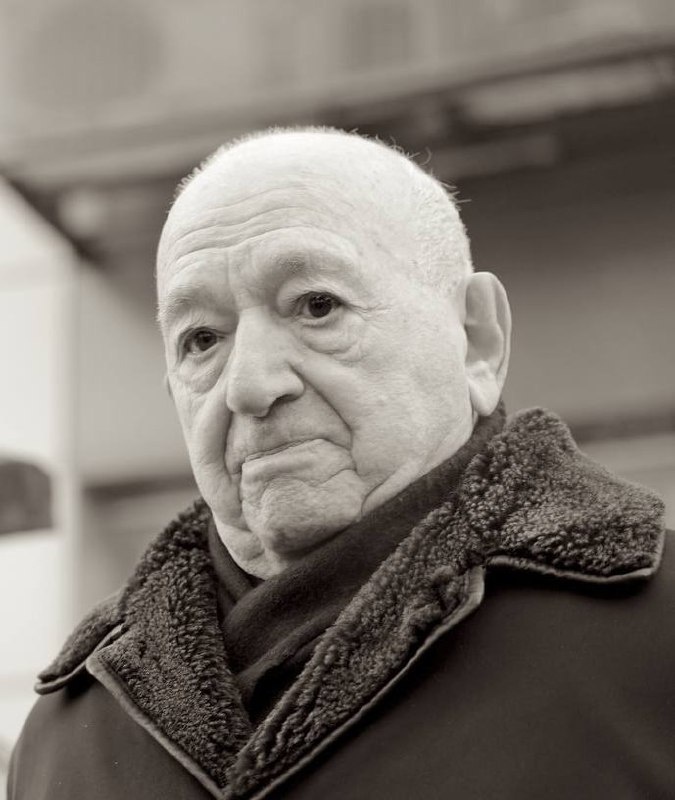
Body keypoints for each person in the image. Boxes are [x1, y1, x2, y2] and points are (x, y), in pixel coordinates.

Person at [8, 128, 673, 800]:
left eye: (317, 306)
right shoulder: (68, 730)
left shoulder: (655, 636)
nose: (249, 386)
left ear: (476, 338)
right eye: (201, 339)